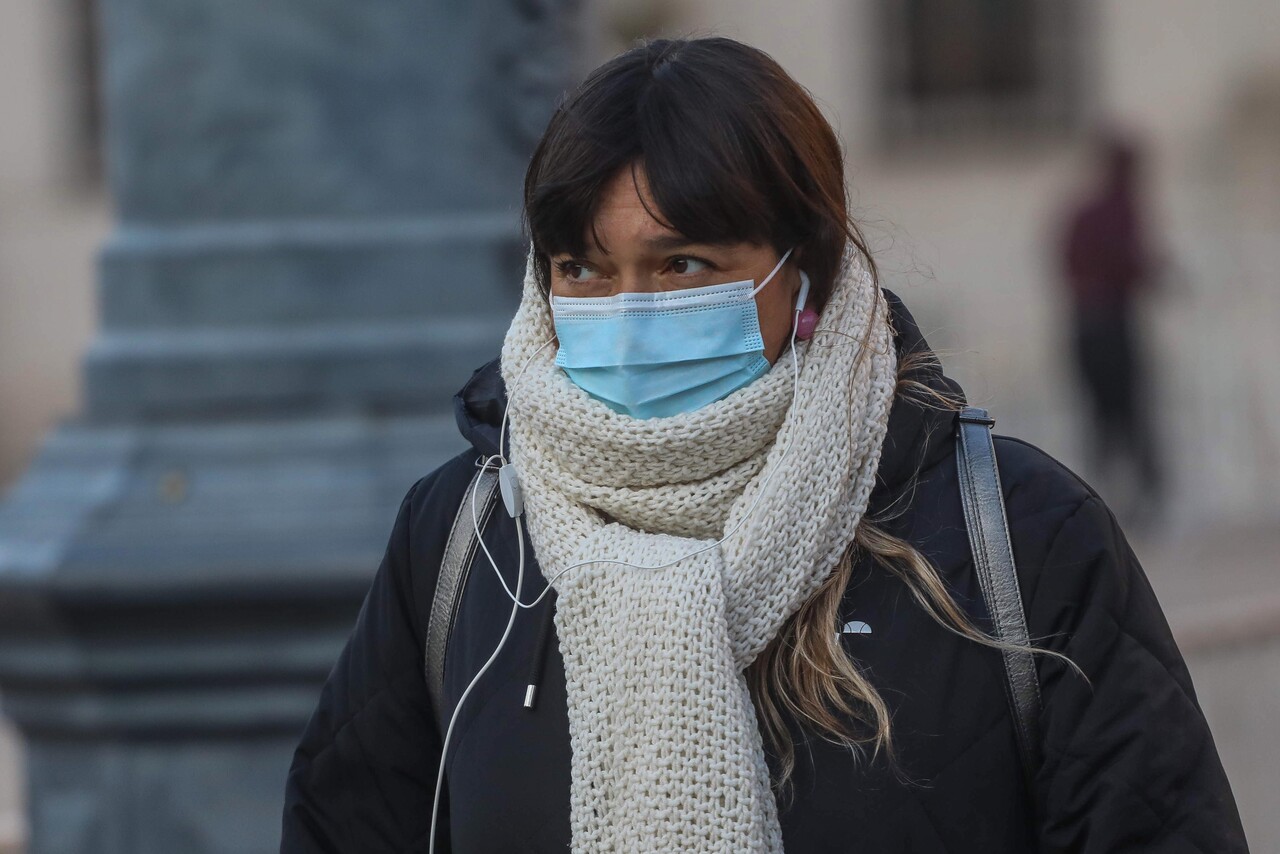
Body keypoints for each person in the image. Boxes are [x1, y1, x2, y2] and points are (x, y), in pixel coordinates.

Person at [280, 37, 1247, 853]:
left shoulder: (1018, 541)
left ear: (807, 273)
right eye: (582, 266)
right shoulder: (465, 539)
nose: (628, 312)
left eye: (685, 263)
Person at [1059, 133, 1165, 521]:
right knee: (1127, 413)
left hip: (1088, 326)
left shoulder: (1088, 212)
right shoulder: (1118, 211)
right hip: (1110, 326)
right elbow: (1131, 264)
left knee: (1104, 416)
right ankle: (1134, 500)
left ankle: (1107, 500)